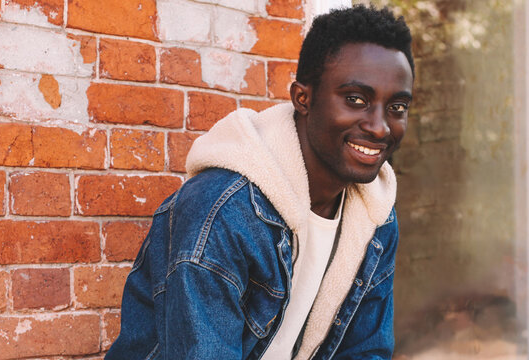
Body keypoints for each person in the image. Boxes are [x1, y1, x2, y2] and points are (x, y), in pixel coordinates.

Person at [106, 5, 414, 359]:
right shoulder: (222, 210)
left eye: (397, 107)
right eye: (356, 100)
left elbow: (365, 351)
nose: (380, 126)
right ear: (303, 98)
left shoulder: (375, 217)